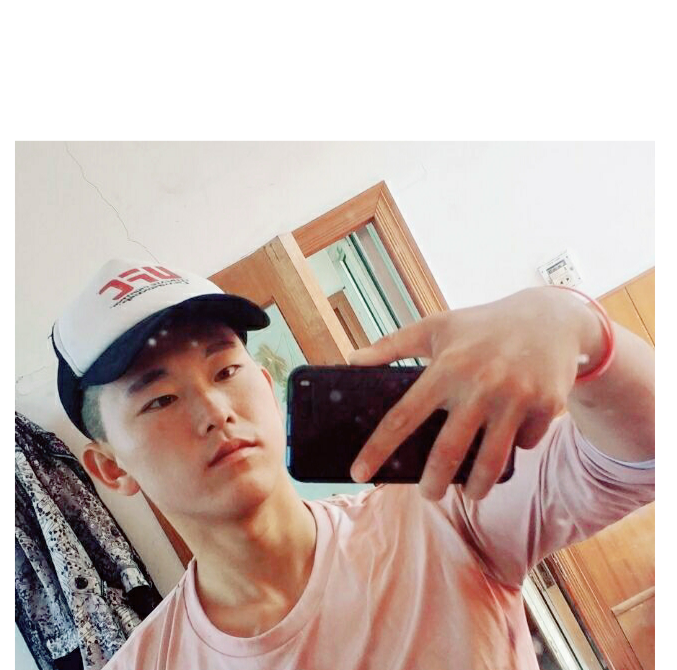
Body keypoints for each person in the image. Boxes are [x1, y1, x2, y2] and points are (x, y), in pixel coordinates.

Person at [51, 258, 655, 669]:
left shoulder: (441, 516)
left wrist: (580, 329)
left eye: (226, 370)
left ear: (270, 389)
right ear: (111, 469)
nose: (215, 411)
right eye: (160, 400)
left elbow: (635, 460)